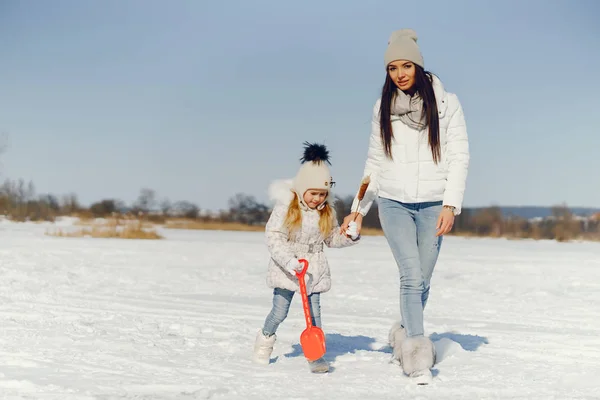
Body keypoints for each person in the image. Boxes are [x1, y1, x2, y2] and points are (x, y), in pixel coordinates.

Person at [341, 29, 469, 383]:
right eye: (392, 67)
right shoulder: (383, 107)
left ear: (418, 65)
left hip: (433, 205)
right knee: (411, 276)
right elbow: (374, 163)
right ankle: (416, 356)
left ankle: (402, 330)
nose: (399, 73)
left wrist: (451, 204)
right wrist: (358, 208)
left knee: (423, 280)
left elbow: (459, 157)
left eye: (406, 65)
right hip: (393, 203)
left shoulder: (446, 104)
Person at [253, 142, 360, 373]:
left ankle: (316, 356)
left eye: (322, 194)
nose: (317, 199)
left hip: (314, 271)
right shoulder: (286, 206)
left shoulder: (327, 211)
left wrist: (348, 236)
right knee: (279, 312)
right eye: (313, 193)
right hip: (288, 268)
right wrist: (289, 261)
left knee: (314, 316)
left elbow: (331, 239)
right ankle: (265, 340)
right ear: (302, 189)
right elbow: (273, 237)